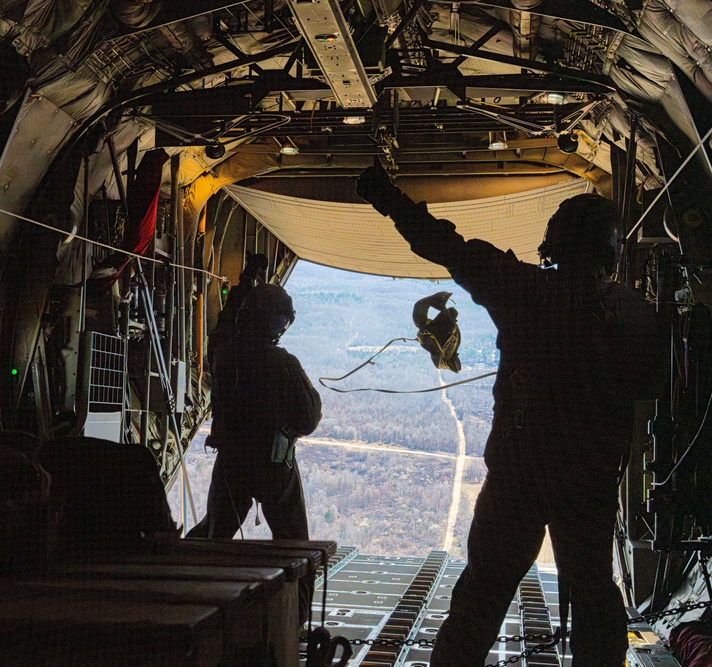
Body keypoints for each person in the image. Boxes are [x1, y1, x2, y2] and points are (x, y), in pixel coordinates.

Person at [356, 164, 665, 666]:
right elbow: (651, 387)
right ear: (610, 251)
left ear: (554, 245)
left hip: (518, 478)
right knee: (593, 597)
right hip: (588, 484)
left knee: (481, 597)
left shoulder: (521, 288)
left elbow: (443, 245)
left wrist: (388, 198)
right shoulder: (632, 313)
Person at [186, 273, 322, 541]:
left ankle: (183, 573)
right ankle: (298, 583)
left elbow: (224, 326)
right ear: (271, 322)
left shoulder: (224, 353)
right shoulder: (283, 363)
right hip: (272, 464)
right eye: (280, 322)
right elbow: (308, 419)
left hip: (231, 462)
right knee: (293, 542)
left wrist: (242, 288)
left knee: (214, 535)